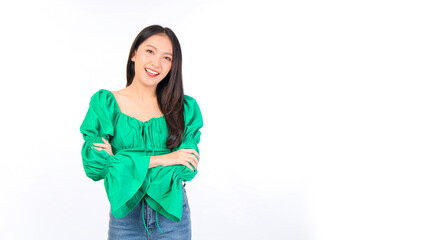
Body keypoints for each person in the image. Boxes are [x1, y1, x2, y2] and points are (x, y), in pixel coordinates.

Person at [79, 24, 203, 239]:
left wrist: (121, 160)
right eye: (150, 51)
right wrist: (167, 158)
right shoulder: (105, 103)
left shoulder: (184, 109)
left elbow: (186, 169)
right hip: (126, 212)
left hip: (171, 214)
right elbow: (95, 166)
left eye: (167, 58)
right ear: (134, 53)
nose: (156, 63)